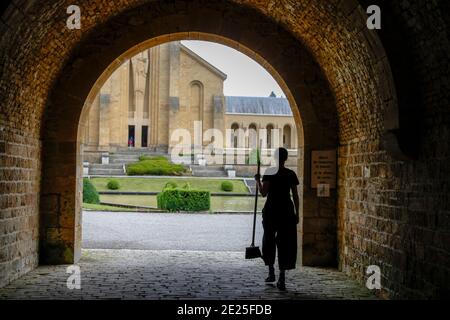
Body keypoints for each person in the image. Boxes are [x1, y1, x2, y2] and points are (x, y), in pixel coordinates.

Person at [255, 147, 300, 290]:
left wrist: (257, 180)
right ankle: (282, 277)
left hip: (271, 210)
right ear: (286, 158)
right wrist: (297, 213)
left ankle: (271, 273)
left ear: (275, 158)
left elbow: (263, 193)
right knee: (285, 243)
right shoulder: (290, 174)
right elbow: (295, 196)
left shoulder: (269, 173)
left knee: (268, 240)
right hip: (286, 210)